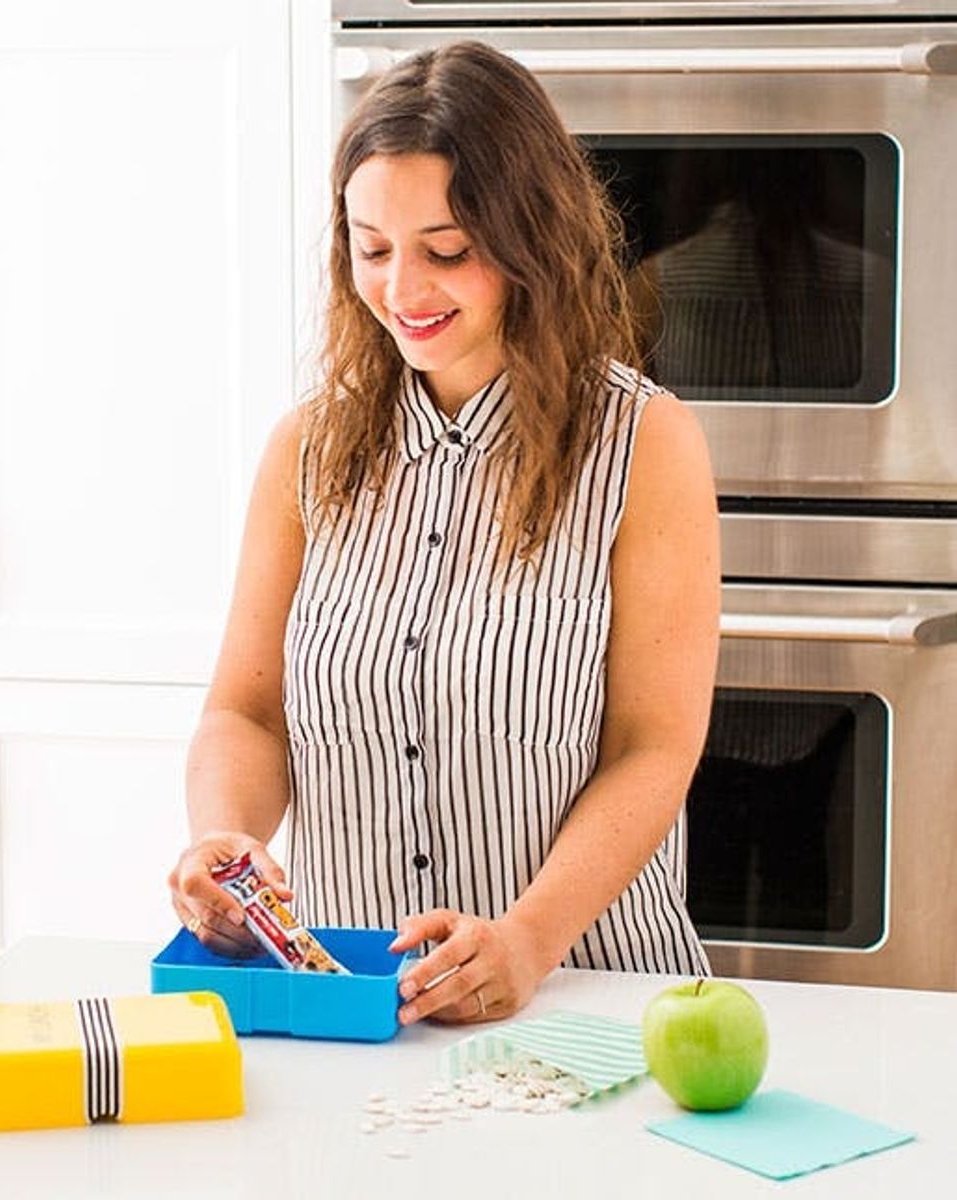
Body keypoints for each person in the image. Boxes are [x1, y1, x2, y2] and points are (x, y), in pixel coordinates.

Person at [168, 41, 719, 1026]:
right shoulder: (306, 451)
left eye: (448, 250)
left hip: (585, 994)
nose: (403, 290)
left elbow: (653, 747)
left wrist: (528, 939)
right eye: (372, 249)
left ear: (530, 238)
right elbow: (246, 713)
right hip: (356, 1002)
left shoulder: (644, 444)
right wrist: (225, 837)